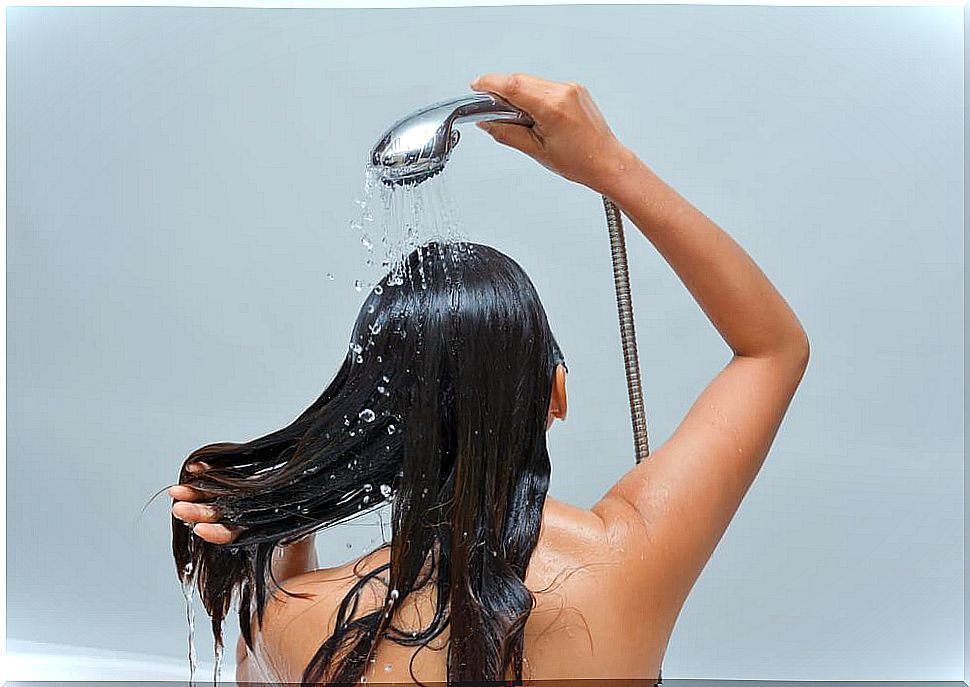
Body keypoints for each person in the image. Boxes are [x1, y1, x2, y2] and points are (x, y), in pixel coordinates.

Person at [168, 72, 810, 687]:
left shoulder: (297, 623)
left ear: (375, 422)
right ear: (557, 392)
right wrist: (607, 164)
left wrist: (294, 516)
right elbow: (773, 350)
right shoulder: (630, 561)